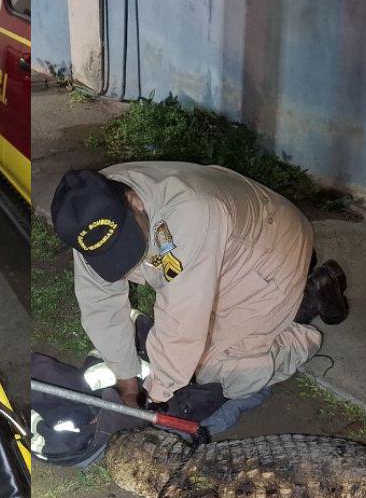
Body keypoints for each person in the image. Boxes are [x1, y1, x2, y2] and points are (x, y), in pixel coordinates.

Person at [51, 162, 347, 429]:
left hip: (268, 250)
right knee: (190, 348)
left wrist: (154, 401)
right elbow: (100, 304)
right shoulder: (90, 216)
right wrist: (127, 386)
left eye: (123, 243)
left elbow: (182, 323)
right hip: (222, 246)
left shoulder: (188, 214)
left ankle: (304, 306)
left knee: (224, 375)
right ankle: (285, 298)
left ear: (134, 201)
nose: (122, 259)